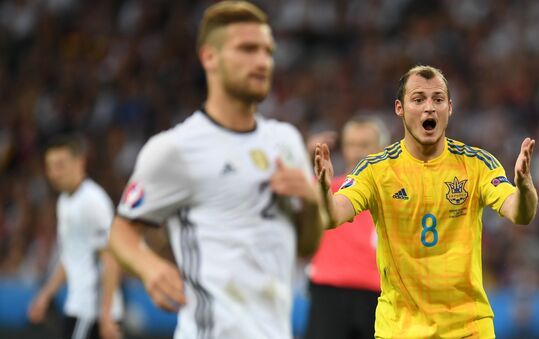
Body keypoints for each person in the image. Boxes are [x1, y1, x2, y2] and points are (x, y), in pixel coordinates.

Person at [108, 2, 325, 339]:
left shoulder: (286, 142)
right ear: (209, 57)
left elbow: (306, 248)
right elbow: (121, 232)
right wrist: (150, 268)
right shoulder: (176, 149)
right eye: (247, 49)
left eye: (268, 51)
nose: (262, 61)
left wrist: (311, 204)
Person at [314, 65, 538, 338]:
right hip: (400, 328)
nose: (429, 108)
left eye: (438, 99)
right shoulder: (375, 170)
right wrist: (325, 192)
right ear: (400, 108)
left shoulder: (477, 164)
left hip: (467, 327)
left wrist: (524, 188)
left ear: (450, 108)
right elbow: (331, 216)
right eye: (418, 99)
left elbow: (519, 213)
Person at [28, 135, 123, 339]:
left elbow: (111, 259)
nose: (53, 173)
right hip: (79, 307)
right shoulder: (64, 201)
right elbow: (70, 257)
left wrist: (106, 315)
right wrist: (45, 296)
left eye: (60, 165)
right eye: (50, 166)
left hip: (92, 311)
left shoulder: (93, 201)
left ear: (80, 162)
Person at [306, 116, 389, 339]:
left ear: (381, 150)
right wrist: (302, 153)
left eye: (364, 145)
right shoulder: (325, 189)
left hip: (379, 296)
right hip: (329, 293)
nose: (356, 153)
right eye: (351, 145)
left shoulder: (395, 195)